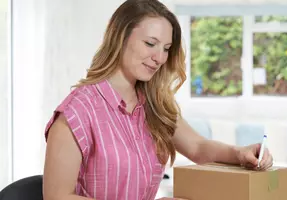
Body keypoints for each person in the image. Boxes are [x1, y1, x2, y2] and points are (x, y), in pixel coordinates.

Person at [42, 0, 273, 200]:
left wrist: (240, 153)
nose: (160, 58)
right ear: (120, 37)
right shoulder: (77, 112)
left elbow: (198, 147)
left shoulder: (153, 105)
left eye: (166, 49)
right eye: (150, 44)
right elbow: (56, 196)